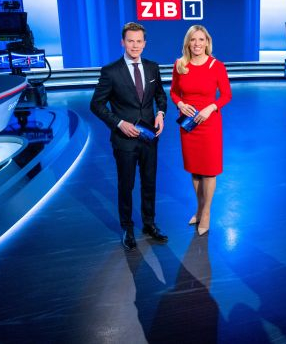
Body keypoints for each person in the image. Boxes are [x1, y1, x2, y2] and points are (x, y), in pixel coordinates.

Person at [90, 21, 168, 250]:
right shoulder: (110, 71)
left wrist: (161, 113)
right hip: (124, 140)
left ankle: (149, 224)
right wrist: (119, 123)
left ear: (145, 43)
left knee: (149, 182)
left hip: (149, 137)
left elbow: (160, 96)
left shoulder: (152, 67)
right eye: (130, 41)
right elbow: (96, 104)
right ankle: (127, 228)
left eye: (139, 41)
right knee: (127, 185)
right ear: (122, 42)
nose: (135, 45)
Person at [170, 25, 232, 236]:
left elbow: (226, 95)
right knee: (195, 170)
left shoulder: (217, 66)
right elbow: (174, 92)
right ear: (188, 43)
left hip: (209, 123)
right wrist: (180, 104)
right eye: (193, 39)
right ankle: (199, 209)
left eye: (201, 39)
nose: (197, 44)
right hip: (189, 125)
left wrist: (211, 107)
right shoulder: (180, 65)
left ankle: (206, 213)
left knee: (209, 170)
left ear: (207, 42)